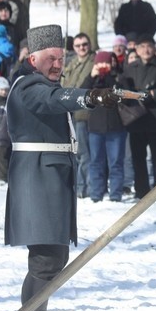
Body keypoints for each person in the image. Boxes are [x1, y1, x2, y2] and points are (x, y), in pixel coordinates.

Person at [4, 24, 119, 311]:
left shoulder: (42, 83)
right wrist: (90, 96)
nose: (58, 64)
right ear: (33, 59)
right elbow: (55, 100)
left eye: (61, 58)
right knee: (46, 255)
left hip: (50, 177)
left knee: (54, 254)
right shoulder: (29, 85)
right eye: (51, 59)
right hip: (37, 178)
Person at [119, 35, 156, 201]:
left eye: (149, 46)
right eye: (142, 47)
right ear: (136, 49)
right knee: (138, 158)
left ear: (154, 48)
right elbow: (122, 88)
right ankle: (141, 191)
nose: (146, 50)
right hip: (136, 119)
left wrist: (153, 94)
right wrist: (132, 95)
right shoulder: (130, 67)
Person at [85, 51, 126, 202]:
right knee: (96, 162)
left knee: (116, 162)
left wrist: (108, 75)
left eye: (105, 63)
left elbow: (120, 93)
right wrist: (92, 76)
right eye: (99, 63)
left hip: (116, 127)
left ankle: (115, 195)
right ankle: (96, 194)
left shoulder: (118, 77)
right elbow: (82, 92)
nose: (102, 67)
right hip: (95, 128)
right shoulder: (93, 80)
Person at [60, 32, 96, 199]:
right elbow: (64, 85)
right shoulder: (71, 63)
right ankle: (79, 184)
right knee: (77, 152)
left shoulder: (93, 61)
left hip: (85, 113)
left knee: (85, 153)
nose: (82, 48)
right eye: (78, 45)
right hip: (70, 112)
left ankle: (87, 187)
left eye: (84, 45)